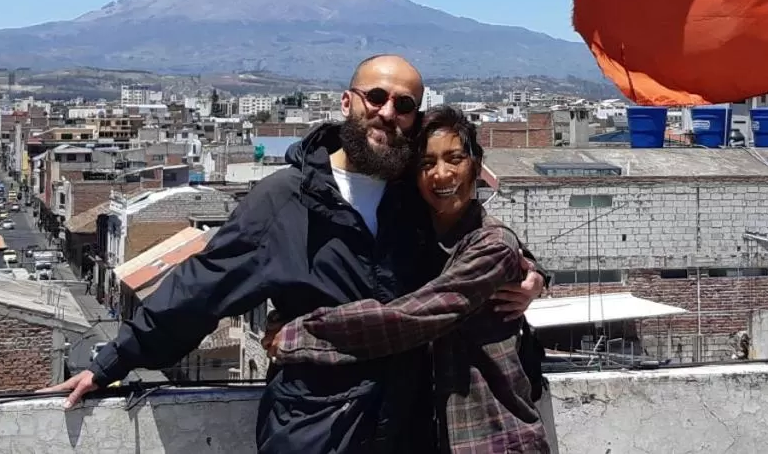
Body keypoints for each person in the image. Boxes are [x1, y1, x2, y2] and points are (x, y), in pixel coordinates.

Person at [41, 54, 545, 454]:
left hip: (409, 426)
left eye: (404, 104)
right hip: (316, 429)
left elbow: (478, 240)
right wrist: (111, 362)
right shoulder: (285, 199)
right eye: (376, 97)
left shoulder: (411, 194)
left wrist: (533, 276)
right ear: (347, 102)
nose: (387, 112)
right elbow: (202, 286)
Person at [263, 104, 550, 453]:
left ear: (476, 165)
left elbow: (409, 319)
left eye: (454, 159)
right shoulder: (416, 240)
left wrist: (300, 335)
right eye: (427, 164)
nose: (441, 175)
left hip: (493, 440)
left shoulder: (492, 245)